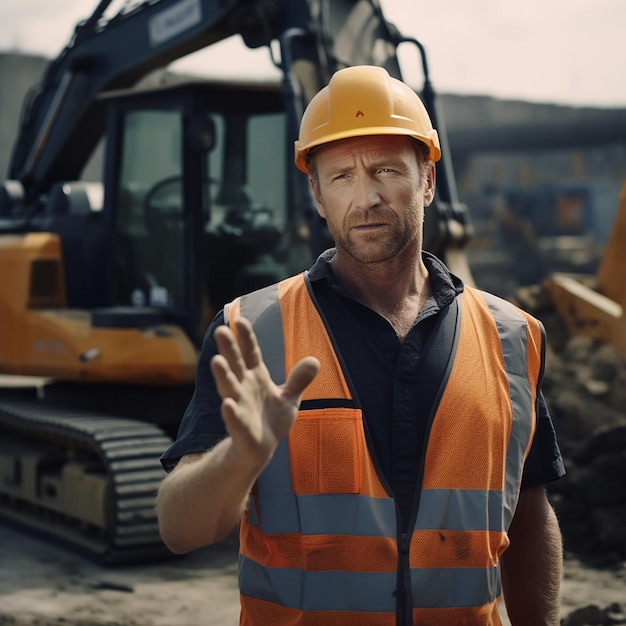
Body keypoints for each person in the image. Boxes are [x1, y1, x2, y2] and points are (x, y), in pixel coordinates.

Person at [156, 65, 565, 625]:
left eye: (386, 169)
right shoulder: (249, 331)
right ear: (317, 195)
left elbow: (529, 513)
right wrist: (240, 458)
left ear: (427, 181)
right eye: (341, 176)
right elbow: (180, 531)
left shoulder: (511, 336)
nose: (366, 196)